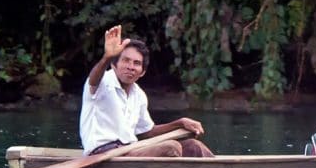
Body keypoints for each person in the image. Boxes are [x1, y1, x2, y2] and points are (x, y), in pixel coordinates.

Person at [79, 25, 215, 158]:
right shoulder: (102, 81)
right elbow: (93, 80)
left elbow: (146, 132)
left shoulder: (138, 95)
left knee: (193, 146)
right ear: (114, 65)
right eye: (126, 61)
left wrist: (180, 123)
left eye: (136, 63)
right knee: (171, 147)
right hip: (101, 155)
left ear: (142, 72)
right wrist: (107, 57)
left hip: (129, 150)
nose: (131, 67)